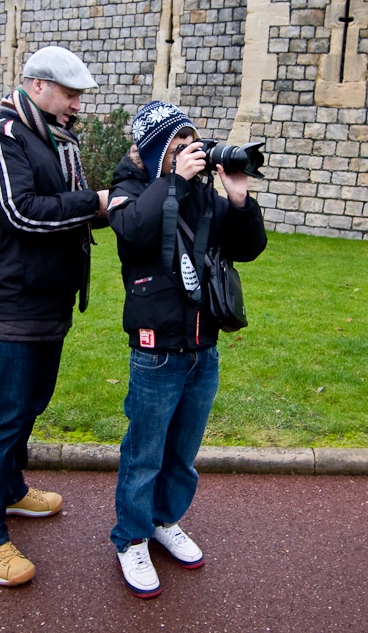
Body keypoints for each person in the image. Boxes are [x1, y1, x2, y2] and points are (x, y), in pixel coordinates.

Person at [0, 45, 109, 587]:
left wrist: (120, 204)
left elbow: (70, 208)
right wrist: (93, 202)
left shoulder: (55, 138)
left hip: (47, 301)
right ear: (38, 86)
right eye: (70, 95)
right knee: (2, 416)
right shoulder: (1, 138)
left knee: (30, 405)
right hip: (9, 302)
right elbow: (22, 213)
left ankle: (10, 491)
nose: (76, 105)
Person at [107, 101, 267, 598]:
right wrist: (173, 180)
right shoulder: (130, 190)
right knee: (145, 453)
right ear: (160, 152)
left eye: (194, 142)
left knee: (182, 453)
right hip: (157, 349)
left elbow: (248, 248)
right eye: (180, 144)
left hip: (204, 346)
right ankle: (130, 537)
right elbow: (133, 232)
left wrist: (238, 198)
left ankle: (163, 519)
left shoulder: (202, 196)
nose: (192, 152)